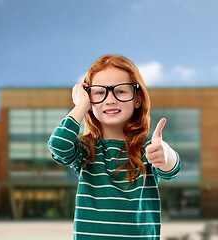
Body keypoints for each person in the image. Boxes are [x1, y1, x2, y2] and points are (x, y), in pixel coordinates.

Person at [48, 54, 180, 239]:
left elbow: (171, 169)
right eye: (100, 92)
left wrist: (165, 154)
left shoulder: (148, 149)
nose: (110, 100)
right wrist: (81, 105)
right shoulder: (85, 150)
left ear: (137, 99)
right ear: (89, 100)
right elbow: (58, 145)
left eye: (121, 91)